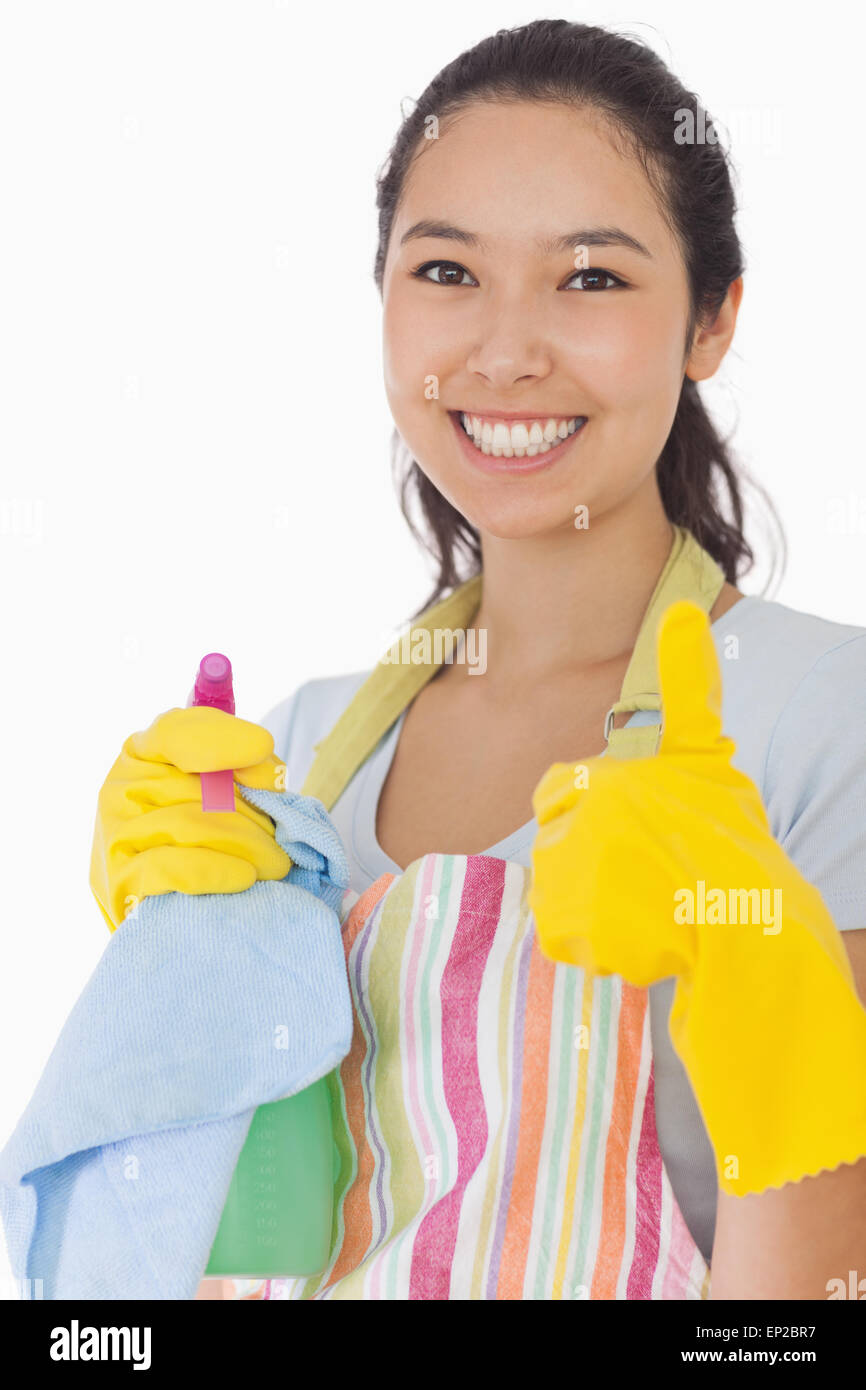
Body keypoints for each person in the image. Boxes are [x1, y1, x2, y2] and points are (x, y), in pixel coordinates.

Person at [96, 19, 866, 1300]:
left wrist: (769, 1008)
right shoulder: (289, 759)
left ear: (711, 322)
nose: (503, 353)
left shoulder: (824, 719)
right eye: (445, 272)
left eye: (591, 279)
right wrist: (164, 991)